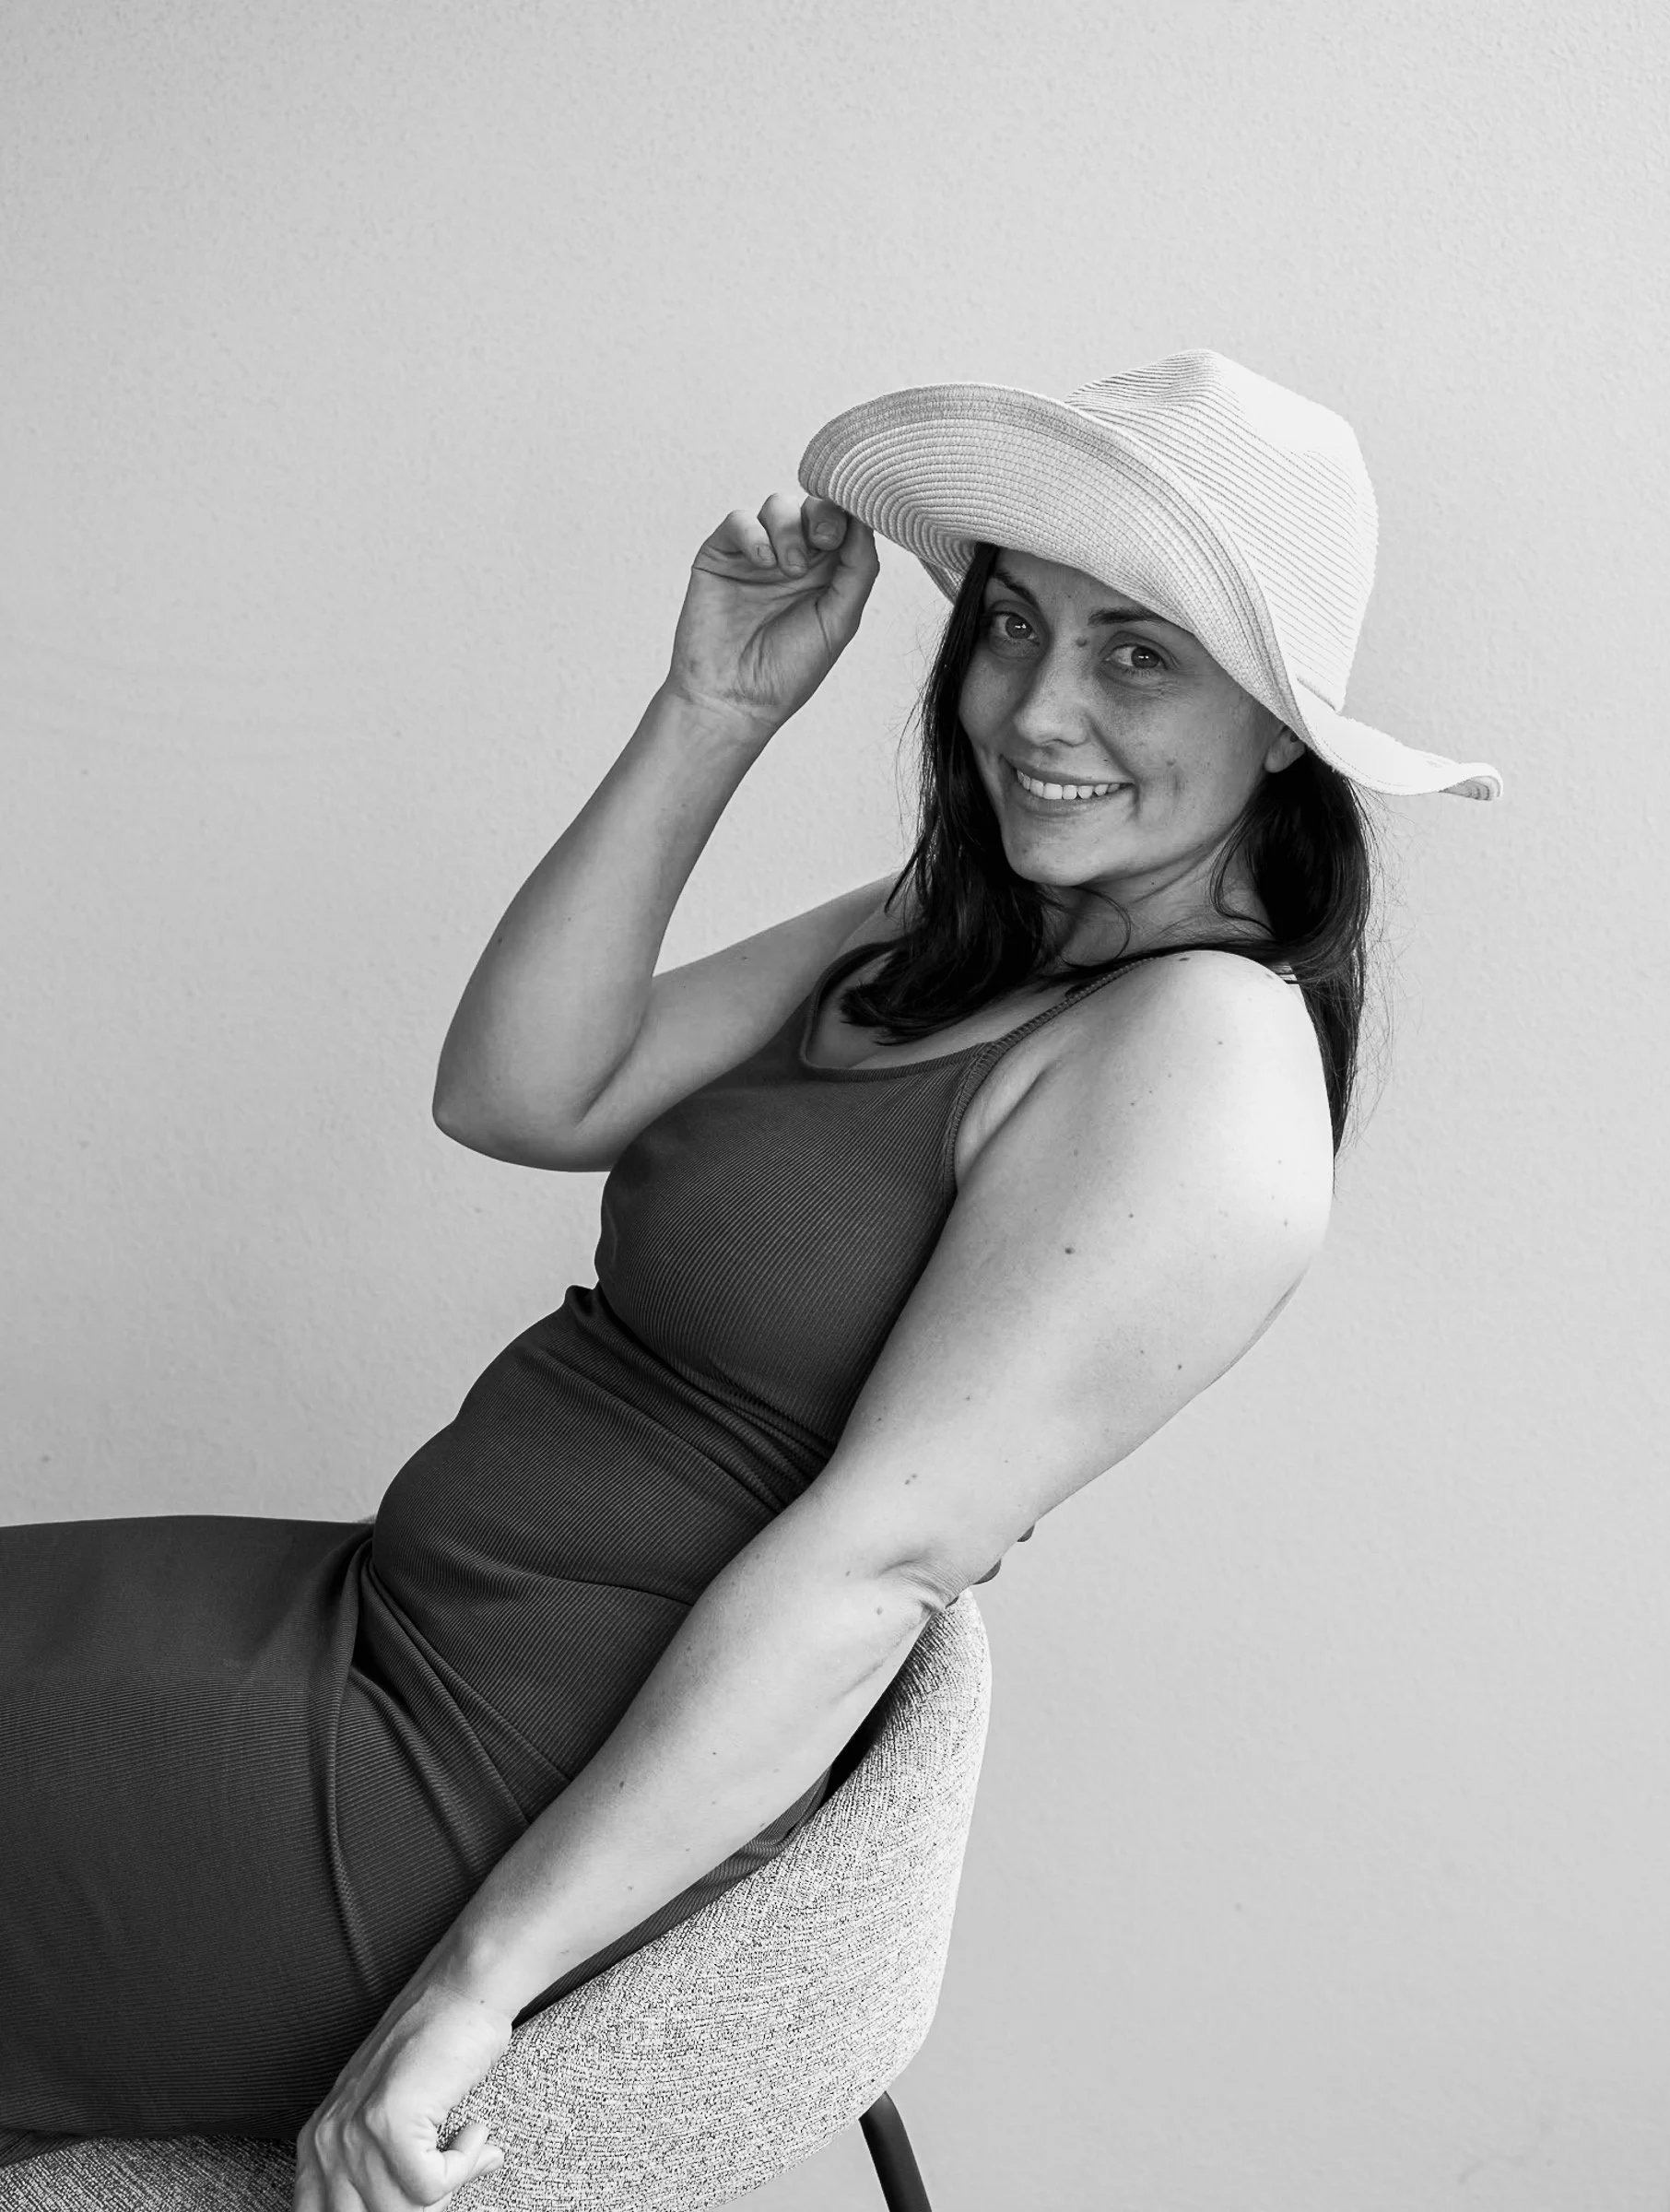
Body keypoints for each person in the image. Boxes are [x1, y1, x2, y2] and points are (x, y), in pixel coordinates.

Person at [0, 350, 1499, 2208]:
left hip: (471, 1787)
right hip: (362, 1619)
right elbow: (521, 1089)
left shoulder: (1201, 1061)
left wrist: (471, 1994)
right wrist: (710, 710)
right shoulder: (961, 941)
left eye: (1137, 654)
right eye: (1014, 627)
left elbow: (877, 1561)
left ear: (1280, 725)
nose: (1035, 706)